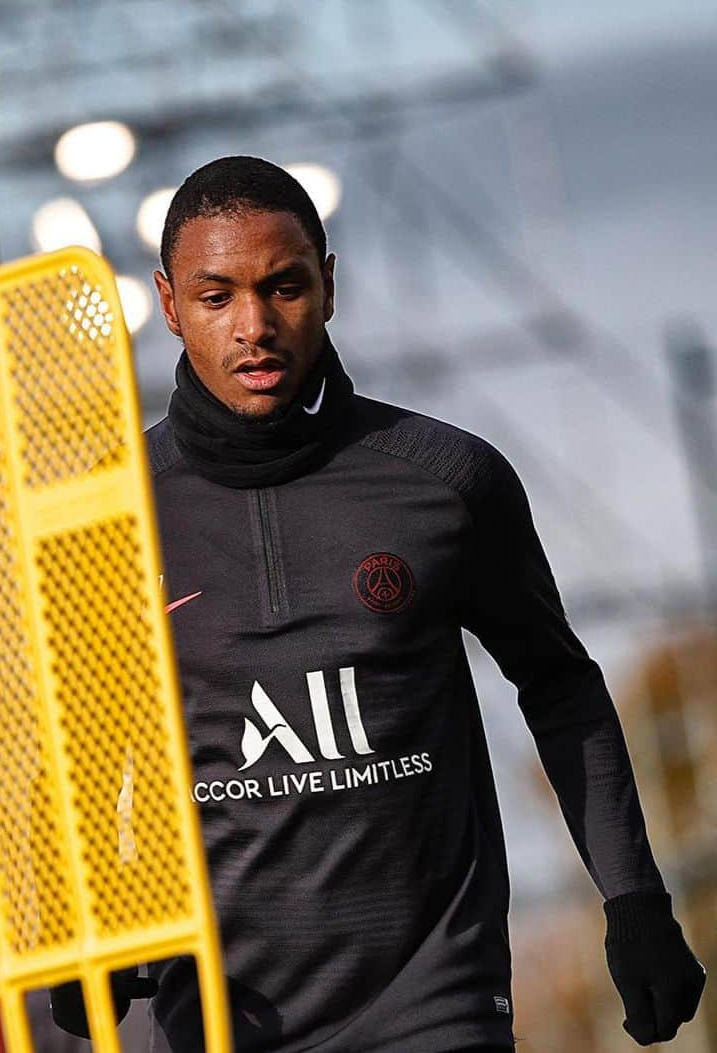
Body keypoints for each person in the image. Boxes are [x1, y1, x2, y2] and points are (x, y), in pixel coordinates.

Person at [51, 156, 706, 1052]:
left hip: (434, 1001)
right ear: (168, 305)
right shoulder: (107, 513)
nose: (255, 326)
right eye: (217, 298)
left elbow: (558, 682)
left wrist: (635, 897)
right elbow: (80, 743)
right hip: (221, 1017)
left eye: (283, 287)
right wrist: (88, 917)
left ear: (328, 285)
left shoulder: (446, 479)